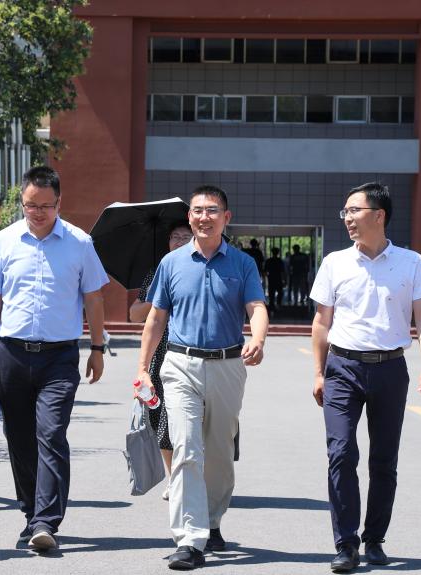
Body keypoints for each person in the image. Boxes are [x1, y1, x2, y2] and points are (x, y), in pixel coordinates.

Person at [0, 165, 109, 552]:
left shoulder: (79, 243)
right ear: (22, 201)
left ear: (59, 203)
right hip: (11, 354)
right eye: (30, 205)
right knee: (19, 439)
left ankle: (47, 520)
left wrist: (97, 348)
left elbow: (93, 298)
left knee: (50, 434)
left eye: (45, 206)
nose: (37, 212)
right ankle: (31, 514)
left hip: (59, 358)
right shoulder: (4, 241)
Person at [135, 185, 268, 570]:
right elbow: (155, 319)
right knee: (186, 449)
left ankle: (211, 521)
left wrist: (258, 339)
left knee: (220, 452)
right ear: (190, 216)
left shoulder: (242, 264)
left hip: (227, 365)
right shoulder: (171, 263)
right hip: (180, 365)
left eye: (212, 210)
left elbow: (257, 307)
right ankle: (189, 539)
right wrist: (142, 368)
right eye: (197, 210)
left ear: (226, 217)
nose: (203, 217)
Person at [309, 182, 421, 573]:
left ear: (378, 215)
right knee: (341, 453)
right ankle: (345, 544)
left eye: (354, 210)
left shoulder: (411, 262)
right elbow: (321, 322)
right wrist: (318, 372)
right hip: (342, 368)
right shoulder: (335, 262)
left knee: (384, 460)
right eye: (345, 212)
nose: (347, 218)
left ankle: (375, 539)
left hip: (390, 369)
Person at [129, 221, 194, 500]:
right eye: (174, 237)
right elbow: (134, 314)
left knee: (192, 422)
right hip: (160, 355)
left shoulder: (202, 271)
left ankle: (194, 476)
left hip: (192, 354)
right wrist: (158, 299)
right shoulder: (157, 273)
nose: (179, 241)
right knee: (161, 419)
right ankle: (173, 477)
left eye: (185, 237)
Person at [263, 247, 287, 313]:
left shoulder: (269, 261)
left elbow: (265, 271)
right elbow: (282, 272)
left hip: (271, 279)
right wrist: (284, 280)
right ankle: (278, 305)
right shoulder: (280, 261)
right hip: (278, 279)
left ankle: (272, 307)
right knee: (280, 293)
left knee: (271, 294)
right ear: (278, 253)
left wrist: (267, 277)